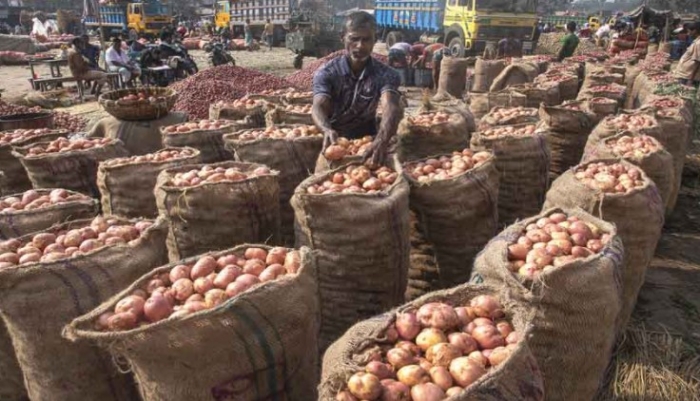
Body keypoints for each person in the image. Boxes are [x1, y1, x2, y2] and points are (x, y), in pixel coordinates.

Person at [312, 12, 402, 166]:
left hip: (368, 140)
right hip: (335, 141)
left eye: (366, 39)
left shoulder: (386, 74)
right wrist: (326, 129)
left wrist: (382, 139)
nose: (360, 46)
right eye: (354, 39)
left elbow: (390, 106)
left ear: (375, 40)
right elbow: (319, 105)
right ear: (342, 38)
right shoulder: (327, 73)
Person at [674, 22, 700, 87]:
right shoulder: (696, 41)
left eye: (689, 31)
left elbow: (697, 62)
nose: (688, 34)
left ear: (694, 31)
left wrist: (690, 80)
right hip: (685, 74)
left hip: (687, 77)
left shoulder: (698, 43)